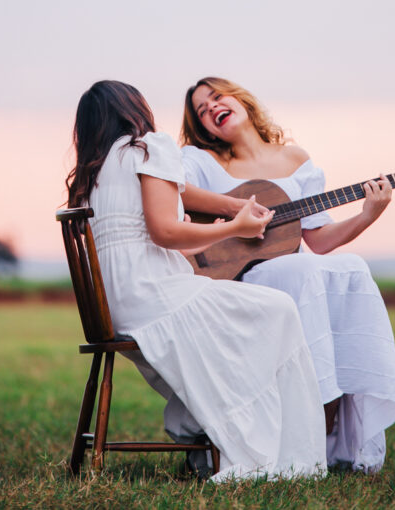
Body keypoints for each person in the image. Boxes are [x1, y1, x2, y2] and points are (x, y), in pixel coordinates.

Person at [66, 80, 331, 481]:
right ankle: (286, 452)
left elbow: (134, 247)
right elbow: (163, 233)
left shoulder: (93, 175)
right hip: (154, 299)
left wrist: (197, 235)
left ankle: (206, 435)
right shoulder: (148, 148)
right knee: (277, 309)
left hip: (116, 310)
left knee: (244, 315)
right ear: (133, 109)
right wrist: (233, 227)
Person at [171, 76, 395, 474]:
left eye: (216, 97)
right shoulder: (201, 161)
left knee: (352, 266)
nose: (211, 108)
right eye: (201, 110)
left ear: (241, 100)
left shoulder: (295, 160)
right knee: (302, 271)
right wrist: (235, 211)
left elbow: (318, 241)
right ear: (202, 128)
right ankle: (313, 419)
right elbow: (172, 191)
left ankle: (334, 415)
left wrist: (367, 214)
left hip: (296, 268)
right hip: (238, 278)